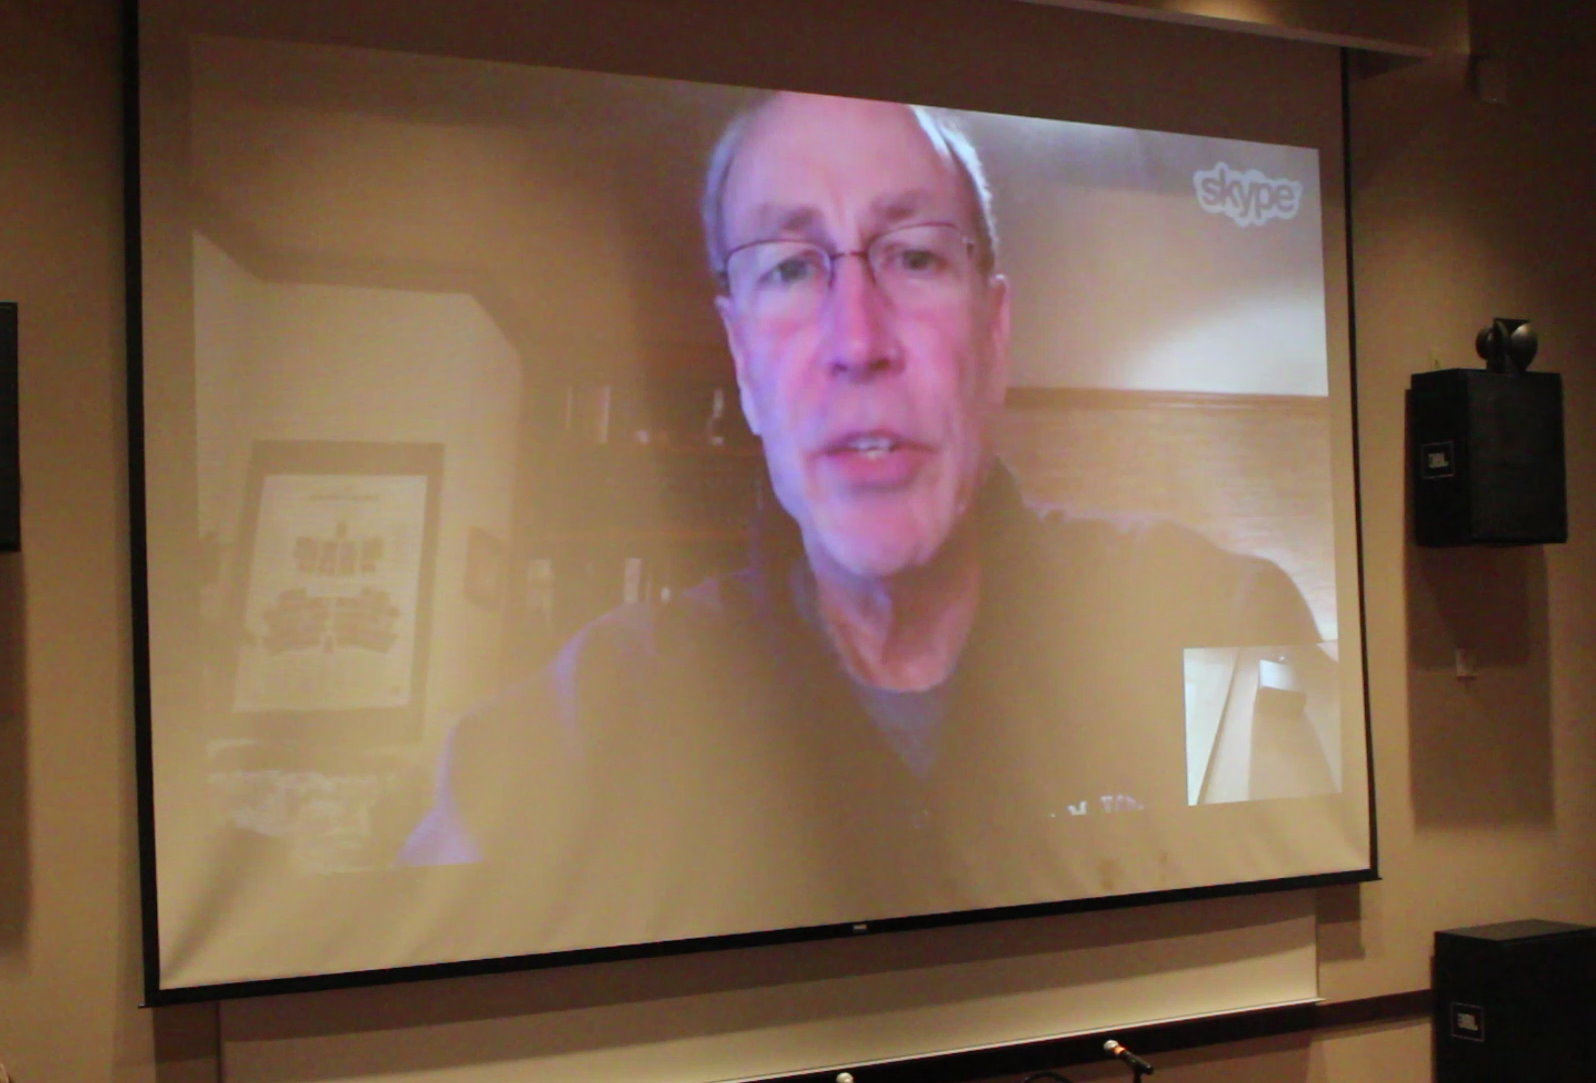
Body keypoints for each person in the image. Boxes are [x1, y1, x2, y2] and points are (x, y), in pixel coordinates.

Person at [401, 93, 1326, 936]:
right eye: (789, 269)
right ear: (742, 366)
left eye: (916, 255)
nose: (857, 342)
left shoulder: (1220, 617)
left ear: (994, 337)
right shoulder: (574, 726)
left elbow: (1284, 948)